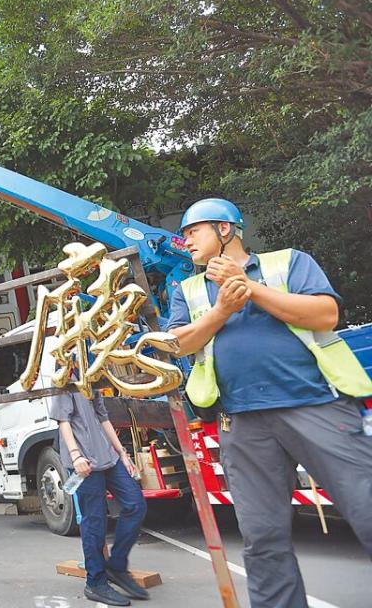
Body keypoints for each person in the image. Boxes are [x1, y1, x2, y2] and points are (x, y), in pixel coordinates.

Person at [166, 198, 372, 608]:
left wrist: (251, 288)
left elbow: (326, 315)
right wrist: (223, 309)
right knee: (262, 539)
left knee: (367, 507)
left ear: (226, 230)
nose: (185, 241)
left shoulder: (288, 263)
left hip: (315, 405)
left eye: (194, 231)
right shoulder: (187, 290)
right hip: (240, 422)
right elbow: (179, 344)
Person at [50, 389, 148, 606]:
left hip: (108, 457)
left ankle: (116, 565)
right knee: (94, 521)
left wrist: (122, 453)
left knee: (136, 505)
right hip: (84, 461)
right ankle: (95, 582)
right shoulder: (64, 377)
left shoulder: (92, 378)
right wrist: (75, 455)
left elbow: (103, 418)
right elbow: (62, 421)